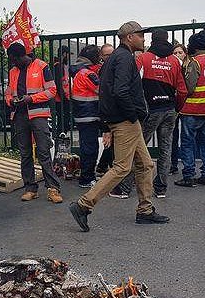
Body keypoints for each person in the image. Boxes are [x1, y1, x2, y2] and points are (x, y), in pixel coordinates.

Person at [69, 21, 170, 232]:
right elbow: (120, 91)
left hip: (122, 120)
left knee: (146, 165)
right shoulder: (124, 58)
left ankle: (145, 210)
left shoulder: (116, 58)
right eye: (141, 35)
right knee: (122, 167)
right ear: (129, 37)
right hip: (126, 121)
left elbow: (108, 91)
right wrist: (133, 115)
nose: (144, 38)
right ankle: (83, 205)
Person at [115, 29, 188, 199]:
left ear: (152, 40)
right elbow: (183, 91)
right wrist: (176, 107)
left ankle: (125, 188)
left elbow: (134, 84)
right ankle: (161, 188)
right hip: (169, 110)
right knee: (166, 149)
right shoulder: (175, 61)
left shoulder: (143, 58)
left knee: (137, 148)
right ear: (167, 39)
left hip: (150, 111)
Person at [4, 43, 63, 203]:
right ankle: (30, 188)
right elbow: (9, 91)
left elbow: (52, 91)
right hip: (19, 115)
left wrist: (31, 99)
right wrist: (10, 100)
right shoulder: (13, 72)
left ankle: (53, 189)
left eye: (12, 59)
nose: (11, 62)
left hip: (38, 115)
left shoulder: (41, 66)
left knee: (44, 152)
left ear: (18, 57)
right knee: (25, 154)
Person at [175, 30, 205, 188]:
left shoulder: (194, 62)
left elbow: (190, 87)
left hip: (192, 107)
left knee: (187, 142)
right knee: (204, 141)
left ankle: (188, 175)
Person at [70, 45, 103, 188]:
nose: (100, 59)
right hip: (89, 115)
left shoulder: (79, 71)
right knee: (90, 148)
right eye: (98, 56)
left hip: (83, 115)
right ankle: (87, 178)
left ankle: (88, 175)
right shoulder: (87, 73)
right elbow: (100, 90)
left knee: (87, 146)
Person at [94, 43, 116, 175]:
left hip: (114, 111)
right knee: (111, 141)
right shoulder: (101, 71)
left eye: (112, 54)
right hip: (107, 111)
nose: (110, 57)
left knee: (113, 142)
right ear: (101, 56)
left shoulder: (116, 68)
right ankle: (106, 167)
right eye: (107, 55)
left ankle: (102, 166)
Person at [169, 44, 189, 175]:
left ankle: (188, 167)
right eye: (175, 53)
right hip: (175, 105)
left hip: (188, 106)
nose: (177, 55)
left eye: (180, 52)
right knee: (173, 135)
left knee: (187, 136)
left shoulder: (190, 67)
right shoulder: (171, 66)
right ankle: (173, 164)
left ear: (185, 54)